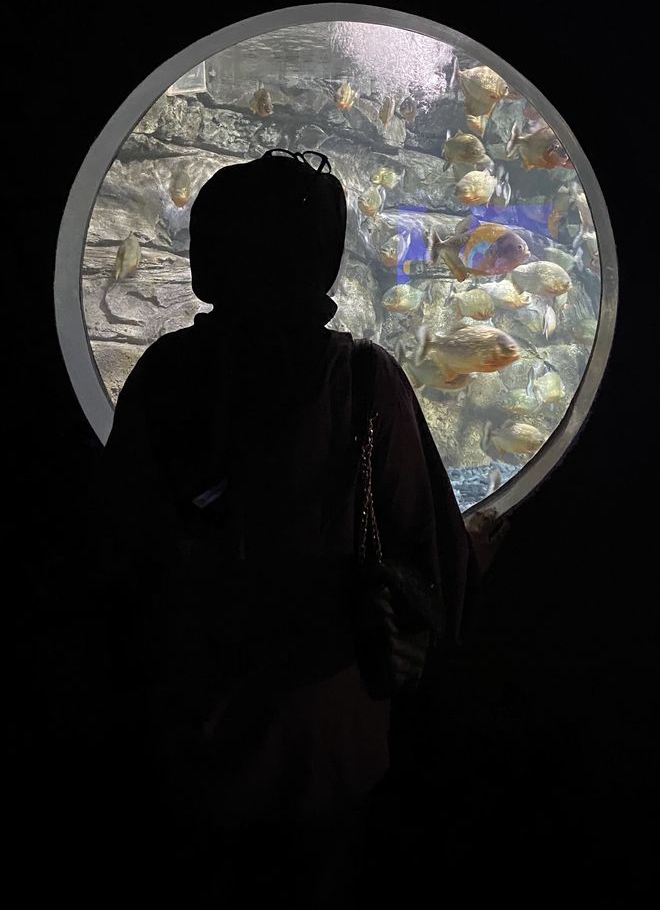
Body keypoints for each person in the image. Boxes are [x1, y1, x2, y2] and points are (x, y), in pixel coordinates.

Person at [85, 149, 505, 906]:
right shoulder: (364, 380)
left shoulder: (163, 374)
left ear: (209, 259)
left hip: (184, 729)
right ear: (325, 262)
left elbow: (115, 548)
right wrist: (477, 544)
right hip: (323, 745)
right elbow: (432, 555)